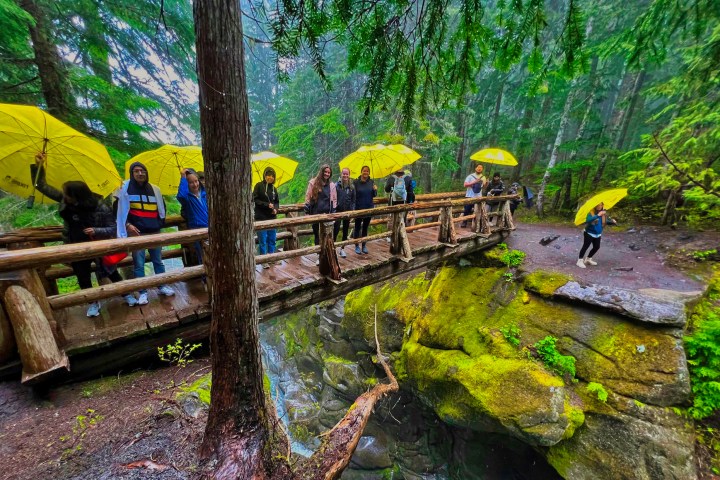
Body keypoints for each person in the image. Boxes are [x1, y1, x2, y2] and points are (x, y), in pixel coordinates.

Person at [31, 153, 129, 317]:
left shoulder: (98, 205)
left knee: (111, 272)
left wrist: (96, 231)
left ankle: (126, 294)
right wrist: (38, 166)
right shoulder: (65, 200)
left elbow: (112, 227)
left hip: (97, 245)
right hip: (74, 245)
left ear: (77, 195)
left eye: (67, 194)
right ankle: (93, 303)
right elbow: (40, 185)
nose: (65, 196)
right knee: (83, 277)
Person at [115, 161, 174, 306]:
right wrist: (128, 225)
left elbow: (162, 209)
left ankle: (162, 285)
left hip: (154, 231)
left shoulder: (154, 189)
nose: (140, 173)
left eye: (143, 171)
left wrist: (159, 224)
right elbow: (118, 211)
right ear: (132, 173)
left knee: (158, 261)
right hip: (137, 234)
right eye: (136, 171)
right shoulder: (125, 189)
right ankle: (142, 292)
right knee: (139, 264)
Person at [177, 168, 208, 263]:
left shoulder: (204, 194)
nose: (195, 184)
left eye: (196, 181)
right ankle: (205, 278)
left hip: (209, 228)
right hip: (197, 230)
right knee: (202, 256)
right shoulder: (187, 198)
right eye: (191, 182)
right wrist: (183, 178)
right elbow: (181, 196)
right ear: (187, 184)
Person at [304, 164, 337, 247]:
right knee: (317, 235)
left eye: (329, 172)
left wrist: (333, 210)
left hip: (327, 214)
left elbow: (334, 198)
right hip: (315, 213)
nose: (327, 174)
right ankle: (318, 255)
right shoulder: (313, 182)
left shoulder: (331, 185)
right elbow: (308, 196)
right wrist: (307, 209)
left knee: (327, 235)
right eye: (325, 172)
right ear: (321, 172)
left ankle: (325, 255)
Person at [253, 166, 280, 268]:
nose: (270, 177)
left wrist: (275, 209)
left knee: (272, 238)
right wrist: (266, 204)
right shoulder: (259, 186)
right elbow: (254, 199)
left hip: (272, 217)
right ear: (264, 175)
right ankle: (264, 260)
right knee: (263, 240)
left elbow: (277, 202)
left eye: (272, 176)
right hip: (261, 218)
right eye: (268, 175)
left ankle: (271, 257)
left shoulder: (274, 189)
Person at [577, 202, 617, 269]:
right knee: (585, 246)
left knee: (597, 247)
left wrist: (612, 222)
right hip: (589, 233)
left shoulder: (603, 214)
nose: (599, 206)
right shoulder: (590, 213)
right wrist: (598, 215)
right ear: (595, 206)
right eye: (598, 205)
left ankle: (588, 259)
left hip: (597, 234)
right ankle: (579, 261)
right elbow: (588, 220)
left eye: (601, 205)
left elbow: (605, 222)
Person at [353, 165, 377, 255]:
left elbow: (374, 195)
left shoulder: (371, 182)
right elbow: (353, 196)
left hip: (369, 207)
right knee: (357, 227)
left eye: (367, 171)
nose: (365, 172)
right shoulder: (356, 182)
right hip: (359, 208)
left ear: (369, 173)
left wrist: (375, 190)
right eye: (364, 171)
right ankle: (356, 246)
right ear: (361, 172)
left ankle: (364, 245)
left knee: (365, 227)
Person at [384, 168, 415, 236]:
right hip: (404, 203)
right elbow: (410, 192)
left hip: (392, 203)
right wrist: (409, 203)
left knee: (392, 219)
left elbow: (387, 190)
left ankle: (390, 236)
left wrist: (389, 183)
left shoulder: (391, 178)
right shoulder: (407, 178)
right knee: (402, 219)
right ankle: (401, 235)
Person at [334, 167, 355, 258]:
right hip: (338, 212)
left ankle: (342, 249)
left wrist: (352, 211)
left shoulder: (352, 187)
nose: (345, 175)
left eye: (347, 174)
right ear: (341, 174)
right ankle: (333, 248)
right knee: (336, 230)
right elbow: (333, 199)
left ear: (349, 175)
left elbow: (353, 200)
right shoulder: (336, 185)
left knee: (345, 231)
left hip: (347, 212)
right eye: (344, 174)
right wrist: (334, 210)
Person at [461, 163, 487, 228]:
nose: (479, 168)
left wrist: (486, 183)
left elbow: (483, 187)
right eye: (478, 167)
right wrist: (474, 182)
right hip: (469, 196)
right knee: (467, 210)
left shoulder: (483, 177)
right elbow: (465, 185)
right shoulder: (470, 176)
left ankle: (476, 224)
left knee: (478, 211)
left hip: (478, 197)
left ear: (482, 169)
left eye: (481, 167)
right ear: (475, 168)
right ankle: (464, 222)